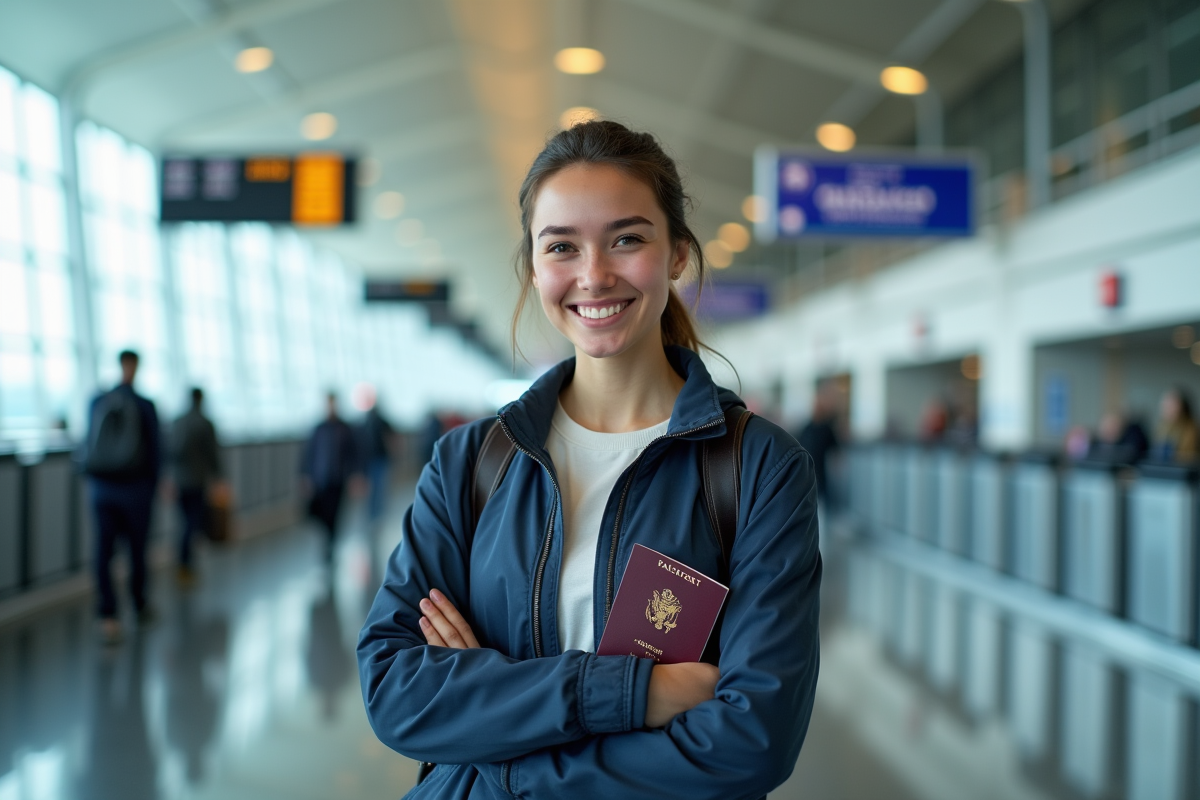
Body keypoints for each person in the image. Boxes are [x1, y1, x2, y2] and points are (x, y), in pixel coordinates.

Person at [357, 121, 821, 799]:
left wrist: (500, 747)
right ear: (535, 267)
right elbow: (397, 692)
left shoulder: (756, 468)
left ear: (679, 256)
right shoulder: (470, 464)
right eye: (562, 247)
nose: (594, 275)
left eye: (627, 239)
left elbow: (752, 742)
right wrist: (637, 694)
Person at [83, 350, 161, 644]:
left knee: (103, 551)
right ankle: (139, 606)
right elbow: (155, 451)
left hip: (101, 489)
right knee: (137, 550)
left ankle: (107, 615)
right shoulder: (144, 405)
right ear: (136, 368)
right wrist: (154, 486)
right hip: (135, 490)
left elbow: (87, 443)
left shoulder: (97, 401)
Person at [170, 387, 222, 584]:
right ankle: (186, 563)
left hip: (179, 480)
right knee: (193, 523)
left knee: (184, 522)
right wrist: (219, 478)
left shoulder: (177, 421)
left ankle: (184, 563)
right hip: (197, 480)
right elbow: (212, 454)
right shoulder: (204, 423)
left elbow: (170, 452)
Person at [301, 392, 360, 561]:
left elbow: (353, 454)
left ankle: (331, 543)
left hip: (338, 480)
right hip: (321, 480)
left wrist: (355, 475)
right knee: (321, 513)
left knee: (335, 514)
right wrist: (305, 475)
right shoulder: (318, 428)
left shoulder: (344, 429)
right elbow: (308, 454)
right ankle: (327, 541)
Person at [357, 389, 395, 523]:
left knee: (378, 488)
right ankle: (373, 514)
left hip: (379, 459)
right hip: (370, 460)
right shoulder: (366, 420)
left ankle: (376, 514)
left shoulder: (376, 420)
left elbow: (391, 437)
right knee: (373, 489)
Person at [796, 390, 840, 508]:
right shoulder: (807, 428)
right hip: (808, 469)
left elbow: (835, 449)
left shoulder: (826, 428)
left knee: (823, 500)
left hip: (822, 468)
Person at [1152, 387, 1198, 463]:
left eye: (1171, 405)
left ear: (1182, 407)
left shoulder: (1191, 429)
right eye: (1164, 404)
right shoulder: (1162, 427)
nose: (1166, 408)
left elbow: (1188, 458)